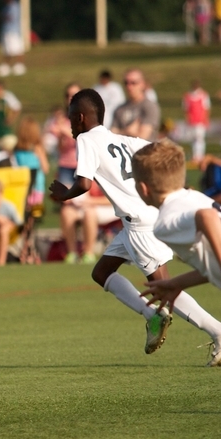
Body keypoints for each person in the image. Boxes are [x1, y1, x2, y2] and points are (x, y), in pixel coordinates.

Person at [48, 89, 221, 358]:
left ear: (80, 117)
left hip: (140, 225)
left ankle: (217, 332)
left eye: (71, 118)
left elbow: (83, 183)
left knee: (166, 289)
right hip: (137, 222)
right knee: (101, 273)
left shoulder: (85, 139)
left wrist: (63, 194)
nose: (70, 125)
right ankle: (152, 315)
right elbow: (160, 154)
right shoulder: (123, 139)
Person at [136, 141, 221, 365]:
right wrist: (177, 283)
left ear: (143, 189)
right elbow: (211, 268)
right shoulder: (194, 196)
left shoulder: (164, 223)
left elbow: (207, 218)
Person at [110, 69, 160, 142]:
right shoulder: (120, 109)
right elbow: (111, 135)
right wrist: (128, 131)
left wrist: (121, 132)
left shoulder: (149, 107)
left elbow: (143, 137)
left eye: (133, 83)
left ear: (142, 84)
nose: (129, 87)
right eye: (126, 83)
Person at [183, 79, 211, 162]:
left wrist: (205, 119)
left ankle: (200, 155)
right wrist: (188, 119)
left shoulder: (203, 95)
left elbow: (206, 108)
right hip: (192, 121)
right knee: (193, 138)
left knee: (200, 138)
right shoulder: (188, 96)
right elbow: (186, 109)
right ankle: (195, 155)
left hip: (200, 121)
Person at [0, 0, 24, 76]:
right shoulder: (6, 7)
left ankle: (19, 65)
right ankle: (6, 66)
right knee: (7, 50)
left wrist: (4, 17)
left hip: (13, 30)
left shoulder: (14, 7)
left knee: (17, 48)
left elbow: (10, 17)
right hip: (6, 30)